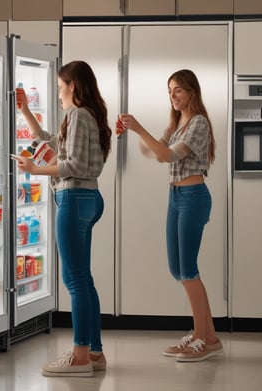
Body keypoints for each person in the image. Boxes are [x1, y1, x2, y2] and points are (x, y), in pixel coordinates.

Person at [117, 69, 223, 362]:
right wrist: (133, 131)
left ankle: (201, 337)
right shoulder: (177, 123)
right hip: (176, 196)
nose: (173, 96)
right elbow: (153, 150)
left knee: (188, 269)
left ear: (191, 91)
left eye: (178, 90)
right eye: (170, 90)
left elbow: (165, 155)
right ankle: (209, 336)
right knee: (178, 269)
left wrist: (140, 130)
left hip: (193, 197)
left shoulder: (199, 123)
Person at [14, 61, 112, 376]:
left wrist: (34, 170)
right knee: (84, 279)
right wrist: (25, 110)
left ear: (73, 85)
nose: (58, 94)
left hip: (73, 198)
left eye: (59, 87)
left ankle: (79, 355)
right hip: (88, 199)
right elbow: (47, 140)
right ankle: (94, 353)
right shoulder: (84, 116)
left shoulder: (77, 115)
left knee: (74, 280)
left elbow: (69, 165)